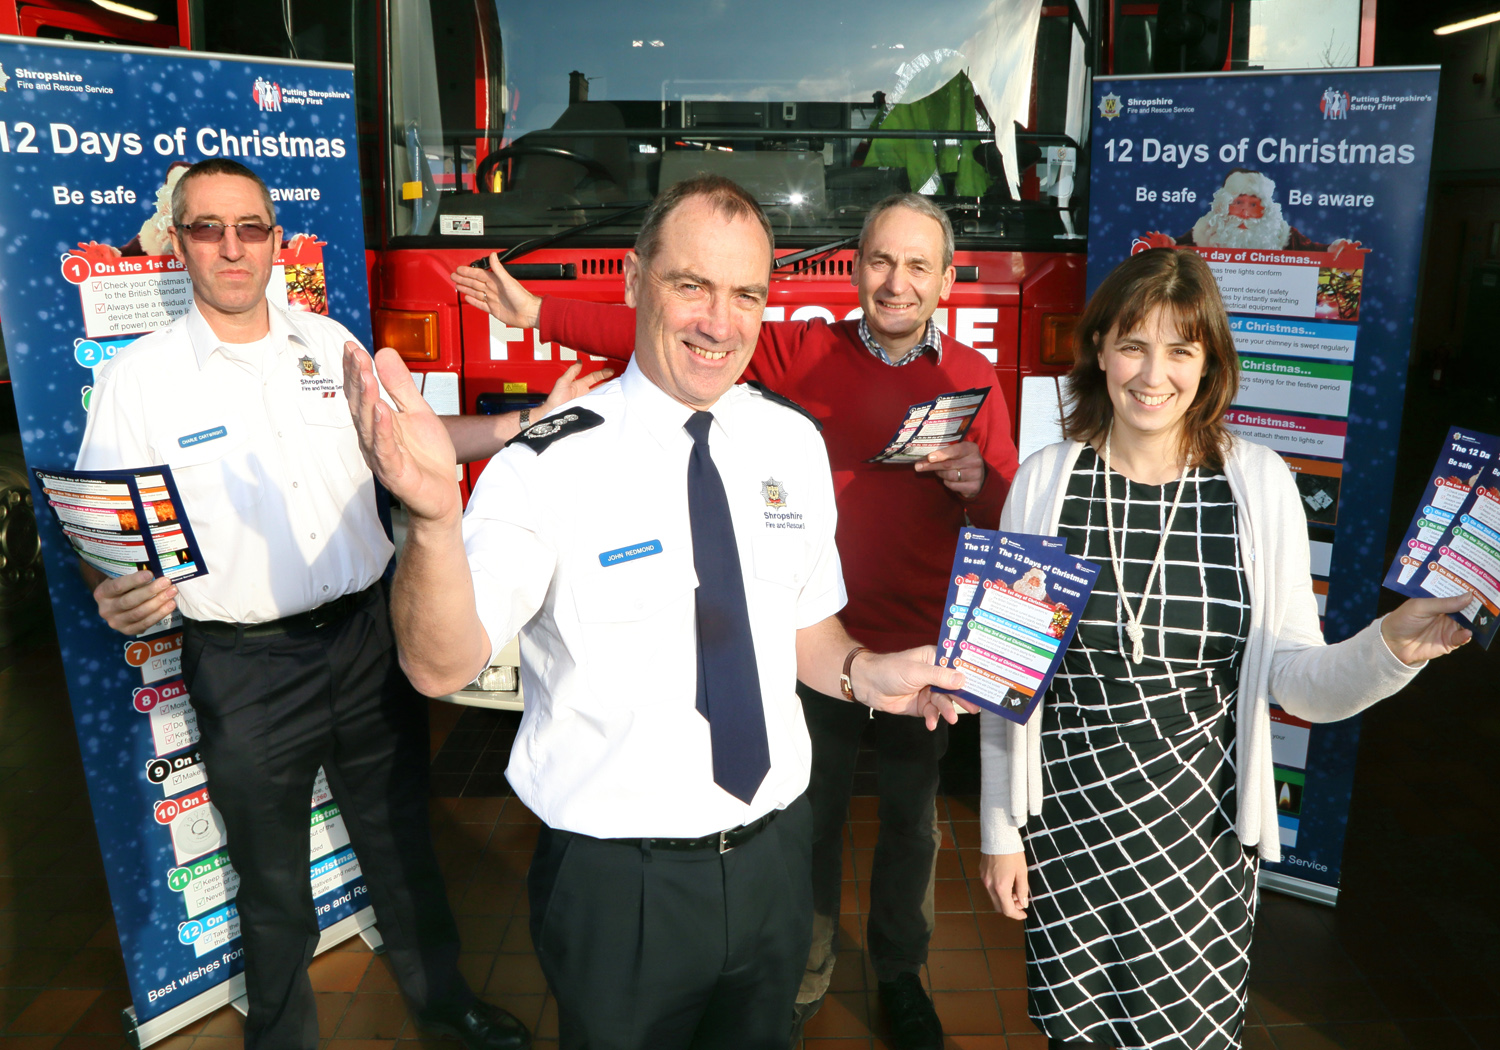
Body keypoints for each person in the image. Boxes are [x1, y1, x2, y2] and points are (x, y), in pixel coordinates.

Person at [343, 174, 969, 1050]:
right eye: (691, 286)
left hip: (774, 862)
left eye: (745, 293)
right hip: (617, 885)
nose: (720, 321)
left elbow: (804, 630)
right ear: (635, 283)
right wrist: (433, 521)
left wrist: (870, 673)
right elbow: (439, 664)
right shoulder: (548, 462)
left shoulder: (790, 441)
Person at [76, 157, 606, 1050]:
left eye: (251, 228)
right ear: (180, 245)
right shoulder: (140, 380)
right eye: (208, 228)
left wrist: (523, 425)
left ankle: (446, 1006)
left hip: (367, 639)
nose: (232, 248)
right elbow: (99, 532)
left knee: (404, 849)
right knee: (271, 883)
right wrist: (110, 591)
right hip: (243, 669)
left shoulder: (333, 346)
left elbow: (417, 446)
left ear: (277, 243)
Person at [976, 247, 1471, 1050]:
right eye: (1133, 344)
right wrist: (1002, 832)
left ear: (1209, 365)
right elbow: (1006, 683)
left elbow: (1299, 684)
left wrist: (1392, 646)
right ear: (1099, 347)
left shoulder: (1257, 484)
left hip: (1195, 840)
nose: (1152, 373)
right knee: (1076, 1036)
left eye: (1181, 349)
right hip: (1069, 831)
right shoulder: (1044, 482)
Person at [1139, 168, 1363, 265]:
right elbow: (1180, 250)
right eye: (1238, 203)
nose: (1245, 211)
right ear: (1224, 206)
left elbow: (1313, 253)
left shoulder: (1283, 235)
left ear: (1265, 209)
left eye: (1253, 204)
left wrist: (1334, 252)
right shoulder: (1205, 231)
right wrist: (1168, 246)